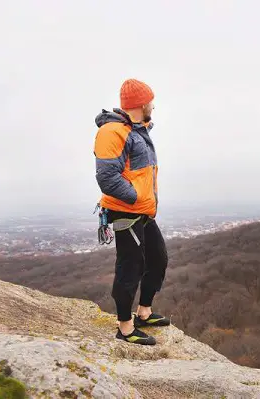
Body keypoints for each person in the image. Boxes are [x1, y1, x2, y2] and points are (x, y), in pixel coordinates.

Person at [93, 78, 169, 345]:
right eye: (150, 102)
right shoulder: (113, 132)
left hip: (143, 211)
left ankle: (144, 313)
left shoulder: (138, 131)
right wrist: (136, 197)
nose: (153, 107)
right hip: (127, 212)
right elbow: (107, 178)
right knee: (130, 267)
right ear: (140, 104)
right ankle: (125, 327)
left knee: (157, 258)